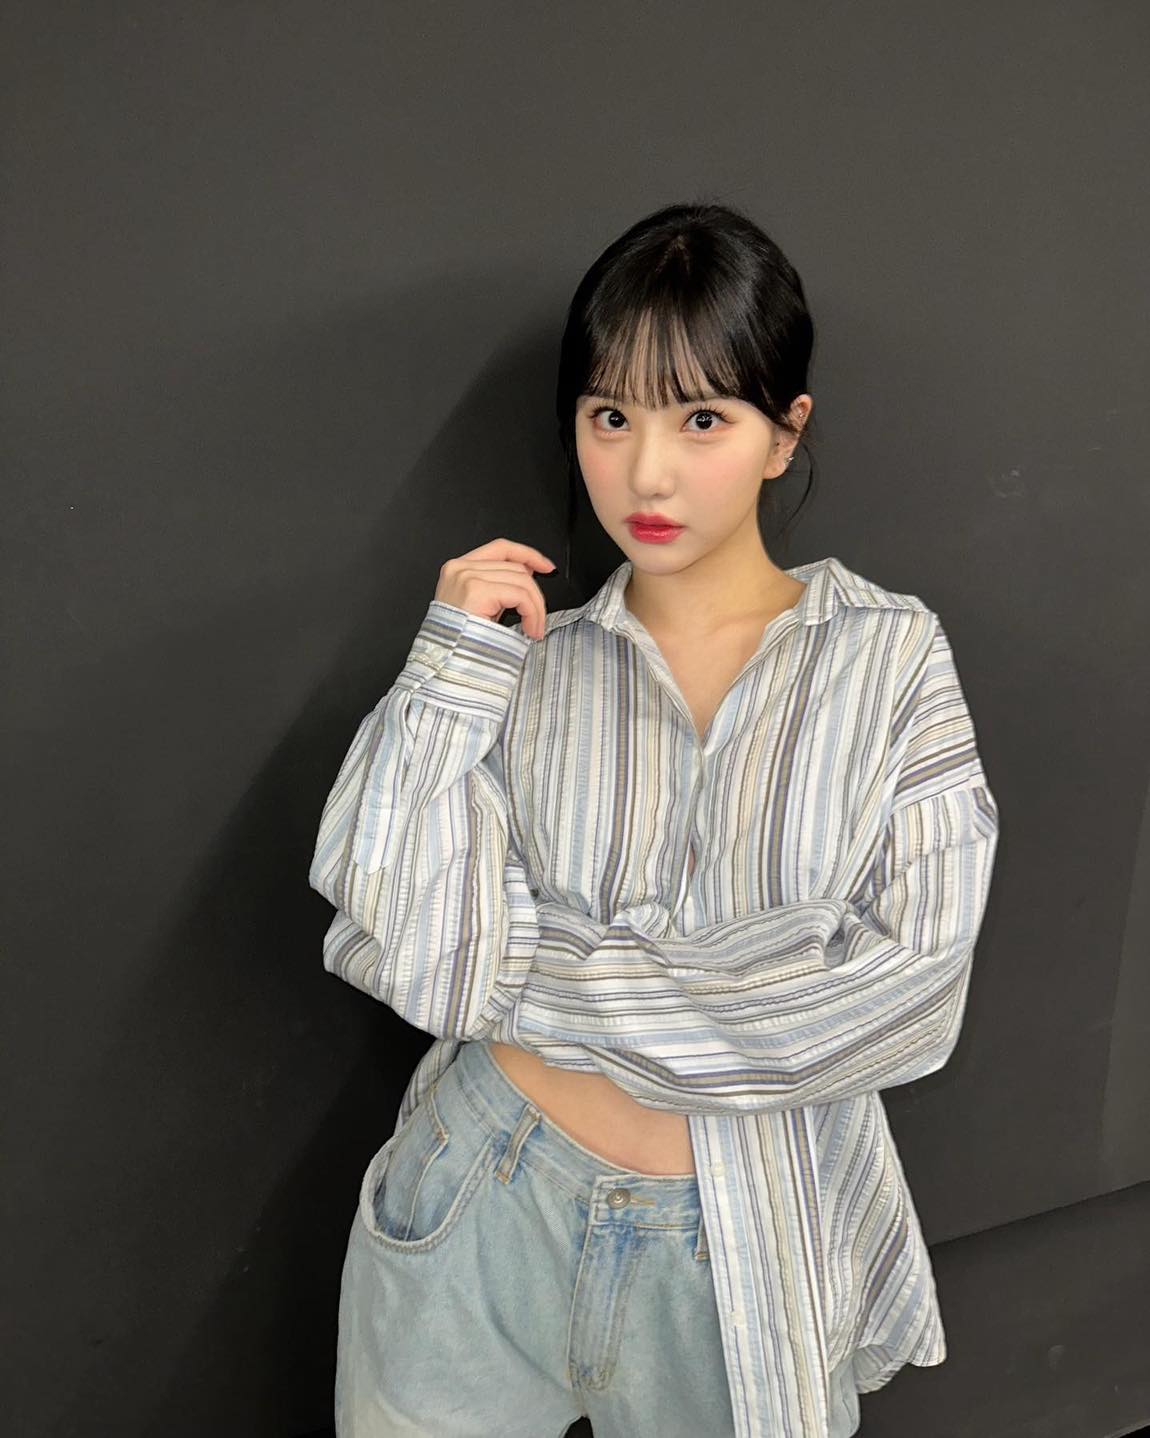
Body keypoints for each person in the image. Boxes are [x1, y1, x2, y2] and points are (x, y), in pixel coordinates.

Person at [307, 200, 1000, 1438]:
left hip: (739, 1241)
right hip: (482, 1193)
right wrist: (450, 670)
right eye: (610, 416)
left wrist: (530, 971)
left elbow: (907, 999)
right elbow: (412, 954)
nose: (646, 474)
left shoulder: (889, 659)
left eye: (702, 419)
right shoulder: (523, 666)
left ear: (785, 433)